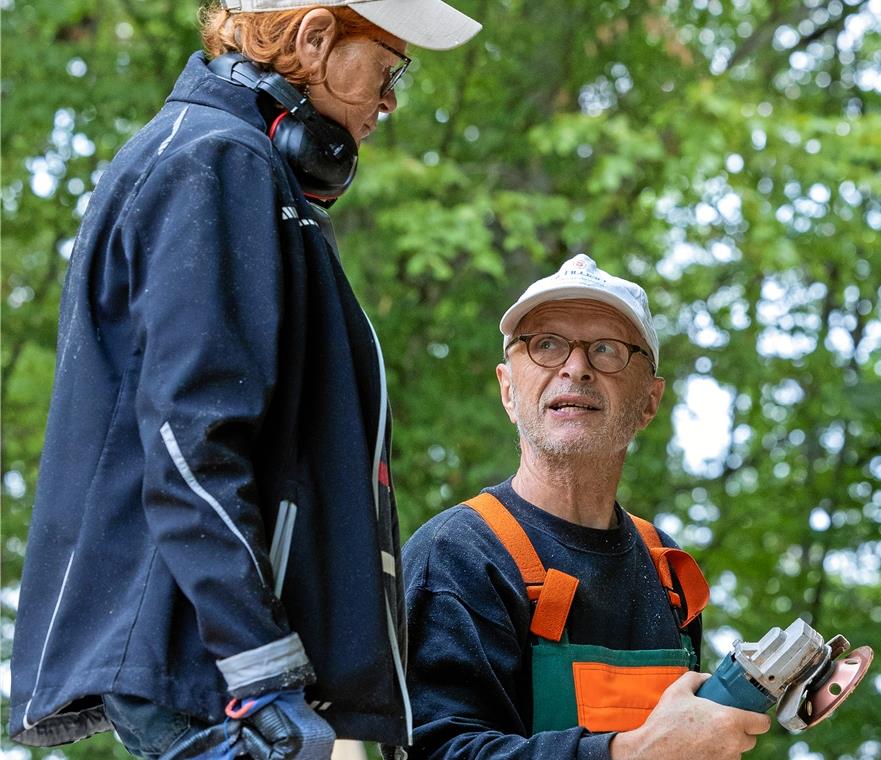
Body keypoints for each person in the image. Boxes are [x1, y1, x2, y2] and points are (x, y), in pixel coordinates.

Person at [7, 1, 480, 757]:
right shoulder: (215, 160)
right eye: (388, 68)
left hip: (222, 672)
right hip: (222, 679)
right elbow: (191, 438)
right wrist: (265, 673)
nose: (390, 99)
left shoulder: (229, 162)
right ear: (316, 38)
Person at [402, 254, 770, 759]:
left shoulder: (667, 569)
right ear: (508, 390)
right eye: (546, 345)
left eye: (607, 349)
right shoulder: (458, 556)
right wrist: (633, 752)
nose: (576, 368)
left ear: (649, 401)